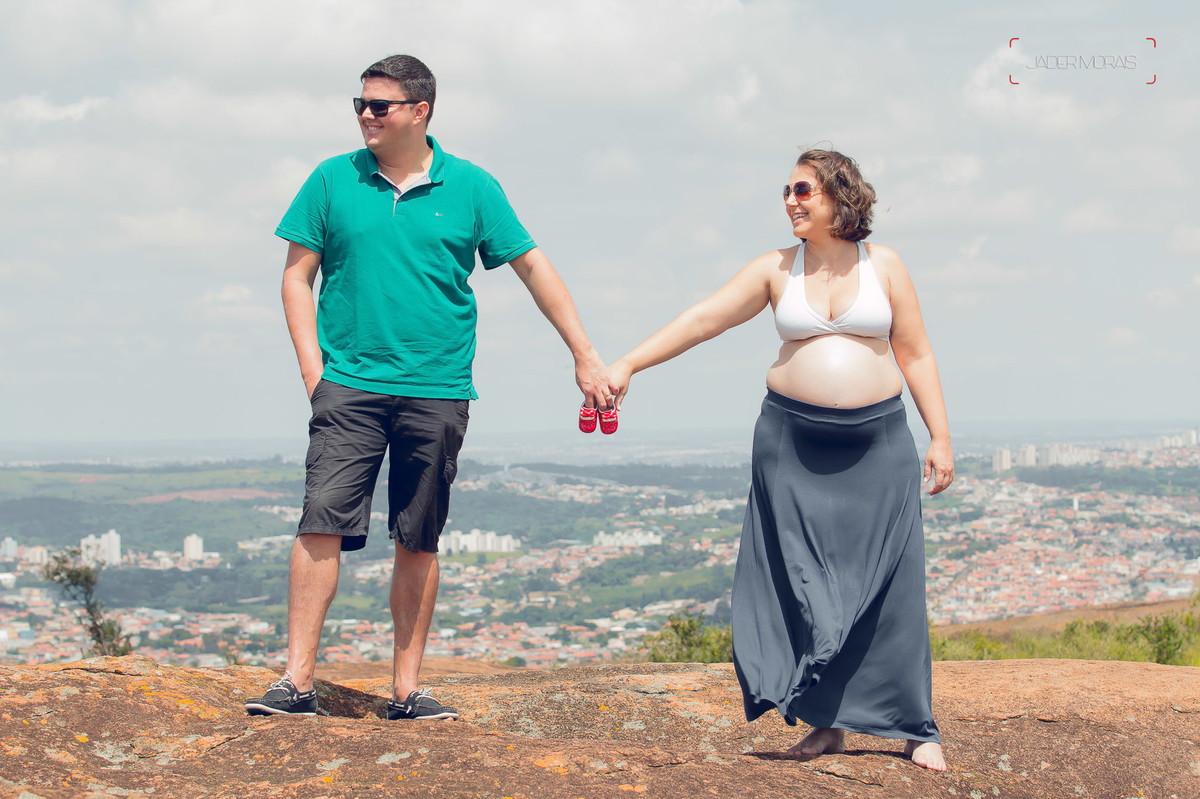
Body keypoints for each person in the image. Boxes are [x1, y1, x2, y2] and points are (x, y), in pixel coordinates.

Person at [244, 54, 610, 719]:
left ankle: (406, 690)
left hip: (437, 387)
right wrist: (313, 372)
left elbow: (533, 267)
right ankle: (295, 682)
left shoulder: (472, 187)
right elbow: (296, 276)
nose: (365, 115)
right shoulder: (332, 180)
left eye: (379, 105)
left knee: (419, 535)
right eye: (359, 103)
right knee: (319, 523)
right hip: (347, 385)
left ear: (420, 111)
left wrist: (584, 355)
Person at [605, 149, 953, 770]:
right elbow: (705, 318)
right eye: (787, 191)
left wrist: (941, 437)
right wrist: (629, 363)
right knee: (800, 581)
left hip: (879, 444)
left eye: (803, 190)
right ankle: (821, 723)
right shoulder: (775, 269)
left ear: (840, 195)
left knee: (890, 585)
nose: (790, 201)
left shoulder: (886, 266)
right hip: (791, 444)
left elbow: (917, 352)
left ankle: (914, 724)